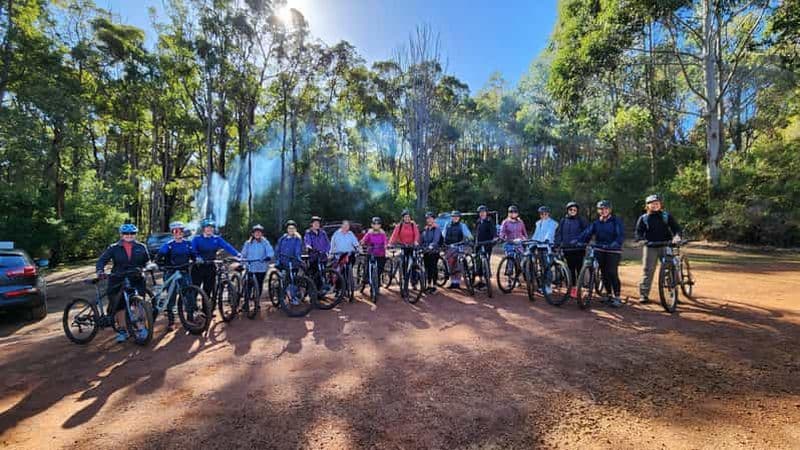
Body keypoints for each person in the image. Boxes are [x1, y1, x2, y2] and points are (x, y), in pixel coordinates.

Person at [96, 223, 150, 343]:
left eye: (132, 233)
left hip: (136, 278)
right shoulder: (113, 247)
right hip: (118, 278)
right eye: (126, 233)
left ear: (135, 234)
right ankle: (122, 330)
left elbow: (147, 261)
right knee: (120, 306)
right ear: (121, 234)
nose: (129, 236)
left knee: (138, 304)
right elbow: (102, 260)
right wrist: (100, 270)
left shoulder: (141, 247)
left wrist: (149, 266)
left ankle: (141, 328)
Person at [635, 194, 683, 304]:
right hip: (650, 246)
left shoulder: (666, 216)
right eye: (652, 203)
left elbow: (677, 229)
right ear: (647, 206)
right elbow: (638, 232)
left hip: (666, 245)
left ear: (660, 205)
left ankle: (673, 293)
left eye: (657, 203)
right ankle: (644, 295)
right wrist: (641, 240)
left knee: (670, 269)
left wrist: (677, 237)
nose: (655, 205)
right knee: (648, 270)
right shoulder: (644, 218)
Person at [579, 200, 625, 308]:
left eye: (606, 209)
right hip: (600, 249)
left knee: (612, 272)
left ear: (610, 210)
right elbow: (587, 233)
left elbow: (620, 235)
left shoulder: (616, 221)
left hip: (613, 250)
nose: (603, 211)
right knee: (604, 273)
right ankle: (608, 295)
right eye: (601, 209)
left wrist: (615, 243)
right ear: (598, 210)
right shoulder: (596, 223)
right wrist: (579, 240)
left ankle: (617, 296)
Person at [155, 221, 195, 328]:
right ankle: (171, 321)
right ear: (172, 233)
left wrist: (196, 261)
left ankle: (190, 316)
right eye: (175, 231)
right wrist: (161, 266)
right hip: (171, 272)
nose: (178, 233)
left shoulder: (188, 244)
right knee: (171, 296)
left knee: (189, 294)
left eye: (180, 231)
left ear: (183, 232)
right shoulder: (168, 245)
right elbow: (158, 258)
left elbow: (194, 256)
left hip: (184, 272)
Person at [191, 218, 241, 298]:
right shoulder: (197, 239)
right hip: (198, 266)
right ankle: (192, 308)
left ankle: (206, 309)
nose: (209, 229)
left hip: (211, 265)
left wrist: (237, 254)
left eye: (211, 228)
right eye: (207, 227)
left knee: (208, 290)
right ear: (203, 228)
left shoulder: (216, 239)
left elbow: (227, 246)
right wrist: (197, 257)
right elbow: (192, 250)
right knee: (195, 289)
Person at [555, 202, 588, 298]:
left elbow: (587, 232)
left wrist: (582, 242)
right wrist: (557, 244)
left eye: (574, 210)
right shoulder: (563, 220)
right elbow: (559, 233)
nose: (572, 211)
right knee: (570, 269)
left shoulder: (581, 220)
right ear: (567, 210)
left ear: (577, 211)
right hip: (567, 249)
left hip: (579, 248)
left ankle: (581, 288)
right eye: (571, 210)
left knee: (579, 269)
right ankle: (573, 289)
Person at [240, 224, 275, 308]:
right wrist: (241, 262)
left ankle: (257, 301)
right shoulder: (248, 243)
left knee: (259, 284)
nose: (257, 234)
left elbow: (270, 251)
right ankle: (246, 302)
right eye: (256, 232)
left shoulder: (265, 242)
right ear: (253, 233)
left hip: (261, 267)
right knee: (248, 285)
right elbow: (243, 254)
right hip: (250, 267)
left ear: (262, 234)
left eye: (259, 232)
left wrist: (268, 257)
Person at [442, 211, 473, 289]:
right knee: (450, 263)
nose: (455, 218)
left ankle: (457, 282)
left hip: (459, 246)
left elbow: (469, 235)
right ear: (451, 217)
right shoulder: (447, 225)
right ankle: (453, 281)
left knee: (458, 263)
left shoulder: (462, 226)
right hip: (449, 247)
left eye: (457, 216)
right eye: (453, 216)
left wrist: (469, 239)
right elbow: (443, 234)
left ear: (459, 218)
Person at [532, 206, 559, 293]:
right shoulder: (538, 223)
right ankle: (543, 285)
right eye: (541, 214)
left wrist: (546, 239)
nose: (544, 215)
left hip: (548, 247)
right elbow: (536, 234)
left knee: (547, 267)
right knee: (542, 266)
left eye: (545, 213)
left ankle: (548, 286)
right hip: (539, 246)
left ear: (548, 213)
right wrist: (532, 242)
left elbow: (550, 232)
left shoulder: (552, 223)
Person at [389, 210, 421, 280]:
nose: (407, 218)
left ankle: (414, 279)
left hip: (412, 245)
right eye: (406, 217)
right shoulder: (399, 226)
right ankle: (404, 277)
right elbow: (394, 235)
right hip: (403, 245)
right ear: (403, 218)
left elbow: (417, 234)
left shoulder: (413, 225)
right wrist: (390, 244)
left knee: (414, 261)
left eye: (408, 217)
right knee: (403, 261)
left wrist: (416, 241)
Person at [360, 217, 389, 291]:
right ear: (372, 225)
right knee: (367, 266)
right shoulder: (369, 233)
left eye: (378, 224)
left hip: (380, 253)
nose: (376, 225)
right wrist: (362, 243)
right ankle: (365, 279)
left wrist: (386, 245)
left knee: (380, 269)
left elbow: (385, 241)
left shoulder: (382, 233)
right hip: (371, 253)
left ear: (380, 225)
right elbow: (364, 240)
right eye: (375, 224)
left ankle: (376, 283)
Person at [329, 221, 360, 286]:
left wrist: (358, 249)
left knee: (350, 263)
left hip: (349, 255)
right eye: (345, 225)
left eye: (347, 226)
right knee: (338, 272)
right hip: (339, 255)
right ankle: (338, 288)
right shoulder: (336, 234)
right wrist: (331, 253)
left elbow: (356, 243)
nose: (346, 227)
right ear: (342, 226)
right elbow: (332, 244)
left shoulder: (350, 234)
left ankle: (348, 279)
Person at [499, 205, 528, 275]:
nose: (513, 213)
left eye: (515, 212)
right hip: (509, 243)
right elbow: (502, 233)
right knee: (510, 257)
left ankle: (521, 274)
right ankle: (509, 273)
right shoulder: (505, 222)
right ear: (508, 213)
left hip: (519, 243)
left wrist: (525, 239)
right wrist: (502, 238)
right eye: (511, 212)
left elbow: (524, 233)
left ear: (517, 213)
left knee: (522, 259)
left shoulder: (520, 222)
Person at [473, 205, 497, 288]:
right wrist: (474, 242)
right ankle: (480, 280)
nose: (482, 214)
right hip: (478, 244)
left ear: (486, 213)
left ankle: (487, 279)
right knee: (478, 262)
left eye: (483, 212)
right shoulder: (478, 221)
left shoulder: (489, 221)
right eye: (480, 212)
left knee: (486, 261)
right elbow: (476, 233)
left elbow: (494, 231)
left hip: (487, 244)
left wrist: (494, 238)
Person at [304, 216, 331, 285]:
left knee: (323, 272)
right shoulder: (308, 233)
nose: (317, 224)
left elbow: (327, 243)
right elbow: (307, 242)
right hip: (314, 256)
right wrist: (308, 246)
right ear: (311, 224)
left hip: (323, 255)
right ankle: (314, 288)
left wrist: (327, 251)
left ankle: (323, 287)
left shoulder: (323, 233)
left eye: (318, 223)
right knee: (315, 273)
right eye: (315, 223)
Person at [420, 212, 442, 293]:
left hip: (434, 252)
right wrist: (420, 247)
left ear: (433, 219)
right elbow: (421, 240)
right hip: (426, 252)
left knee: (433, 268)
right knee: (427, 268)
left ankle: (435, 286)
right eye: (427, 218)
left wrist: (430, 246)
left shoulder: (437, 229)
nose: (429, 220)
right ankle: (429, 285)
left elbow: (436, 240)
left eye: (430, 218)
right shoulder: (425, 229)